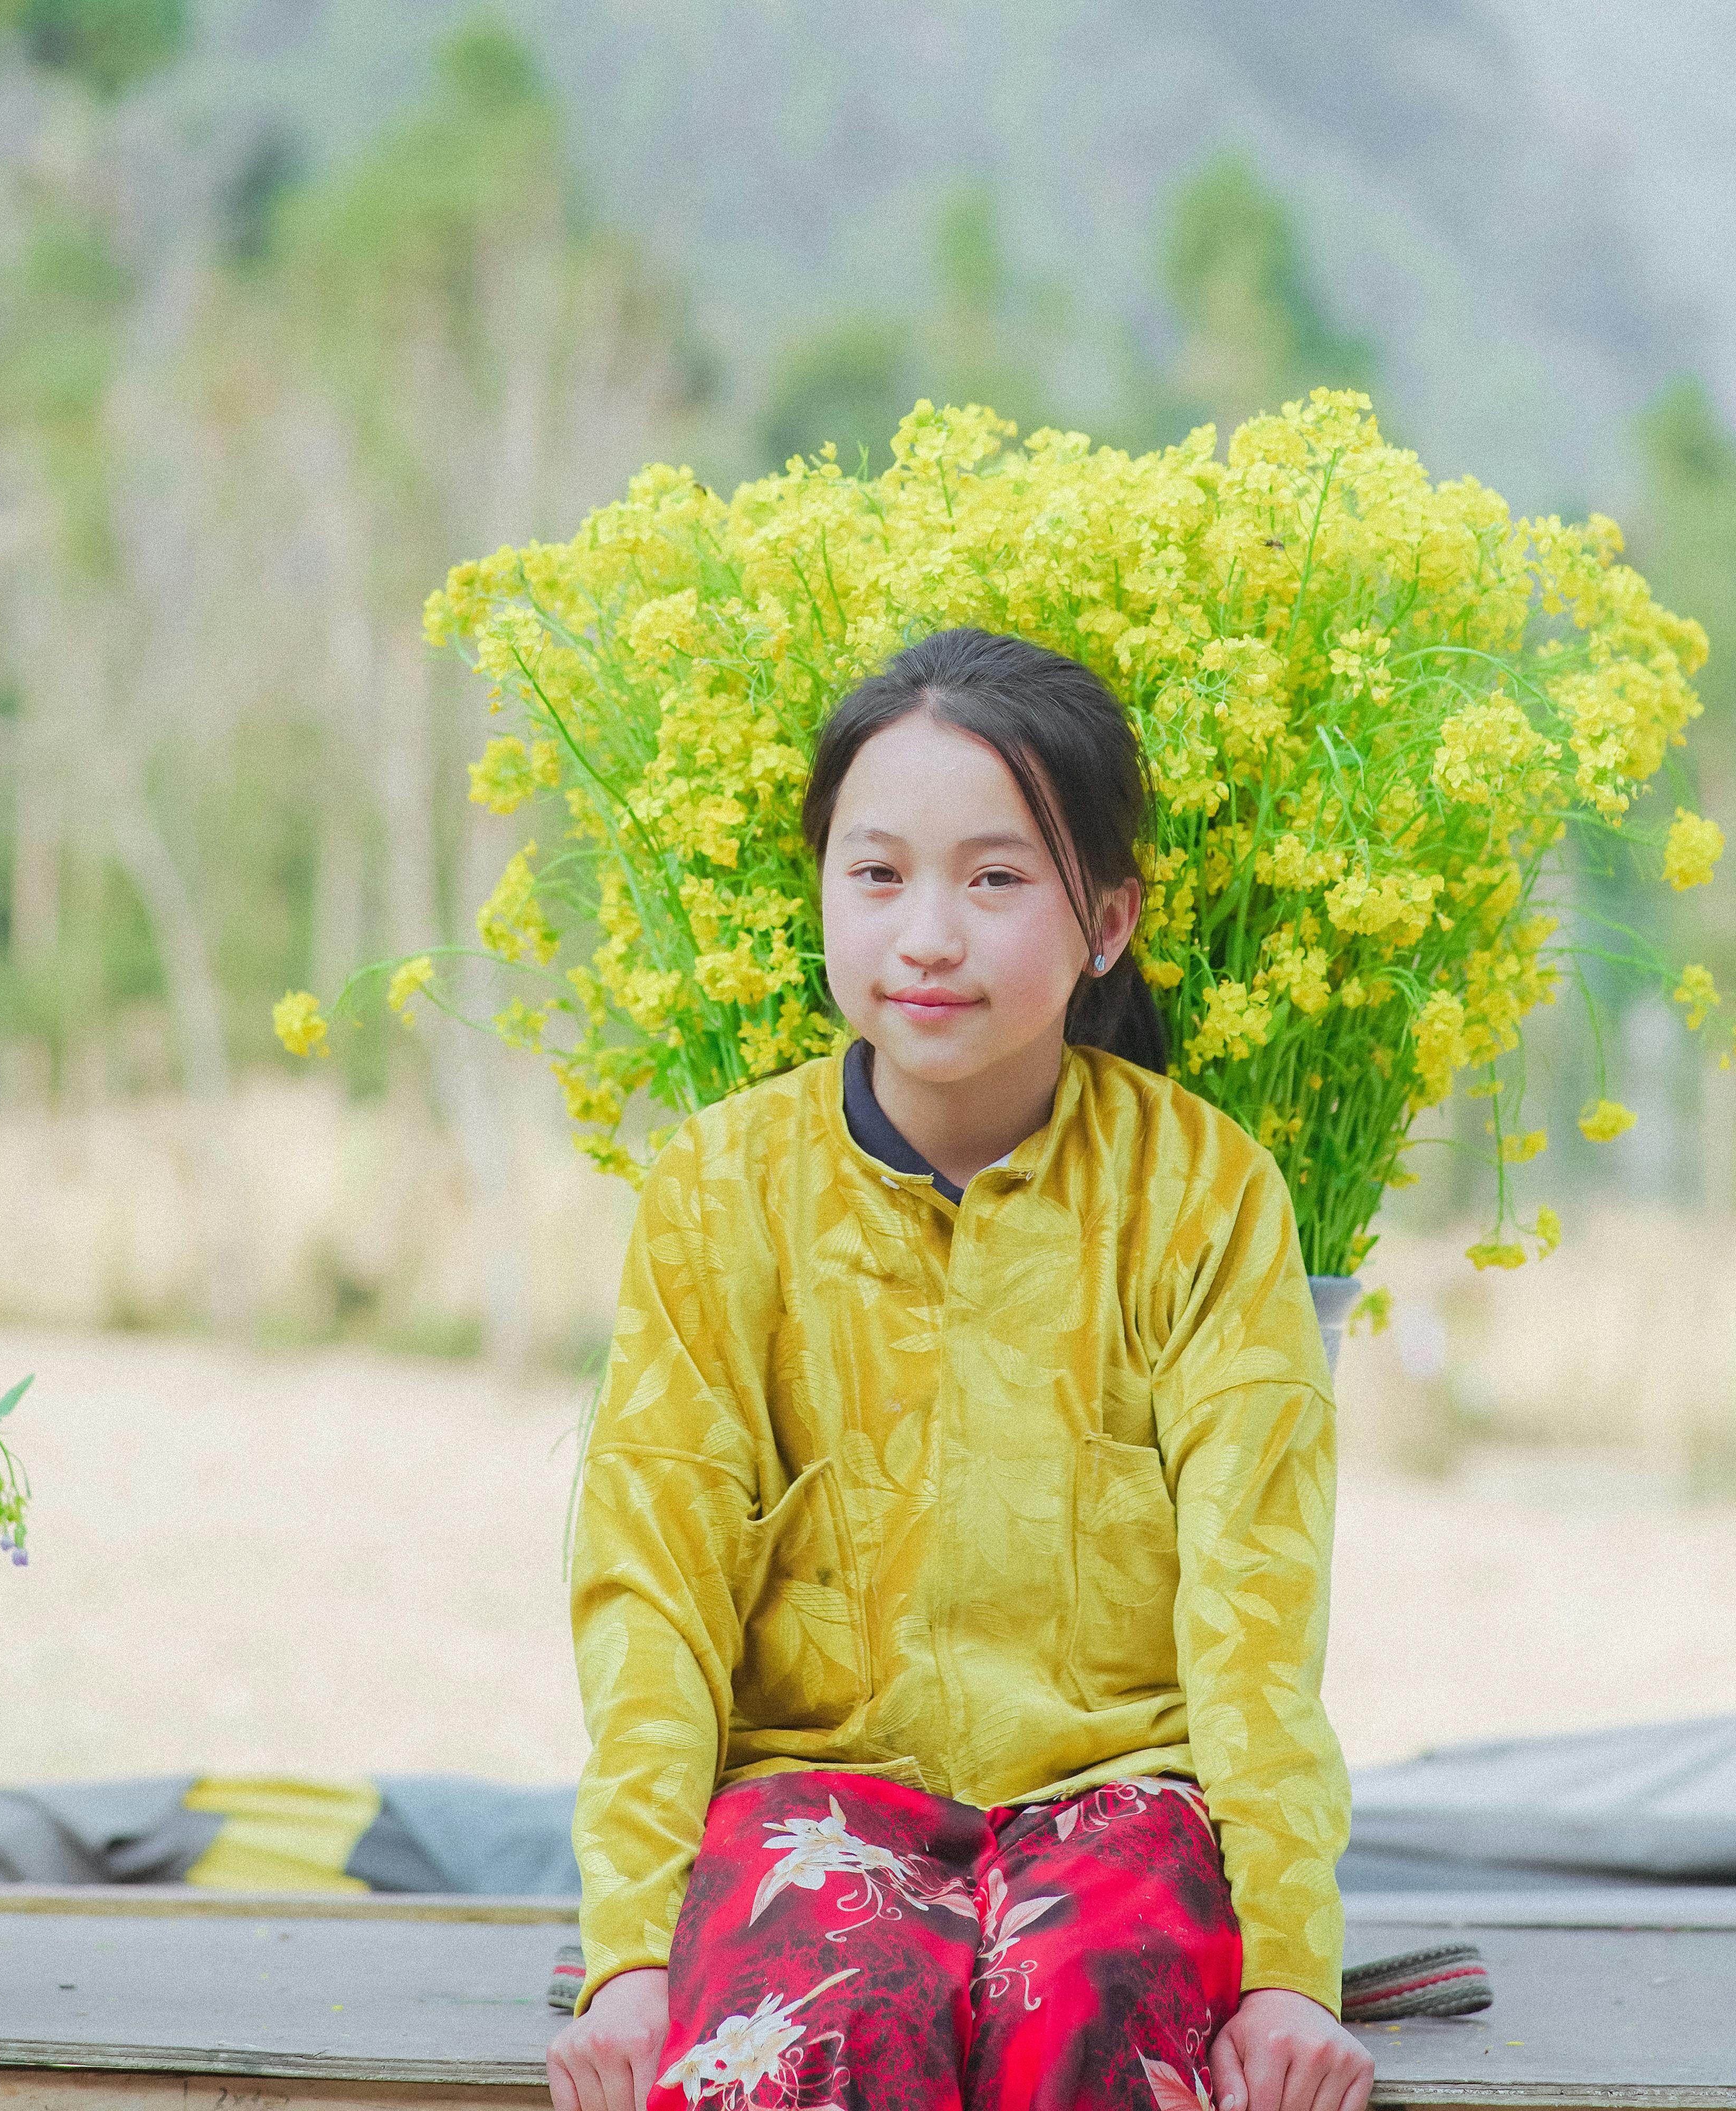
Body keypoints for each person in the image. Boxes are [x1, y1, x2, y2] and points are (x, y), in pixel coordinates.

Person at [548, 629, 1371, 2111]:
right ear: (823, 896)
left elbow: (1259, 1611)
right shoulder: (723, 1190)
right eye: (877, 876)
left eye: (995, 880)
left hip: (1124, 1805)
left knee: (1086, 2023)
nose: (928, 935)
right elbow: (650, 1586)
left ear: (1107, 919)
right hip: (808, 1800)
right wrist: (627, 1956)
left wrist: (1291, 1975)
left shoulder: (1205, 1193)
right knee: (807, 2044)